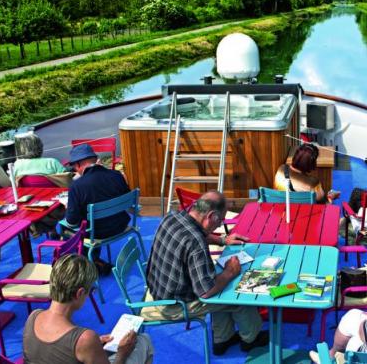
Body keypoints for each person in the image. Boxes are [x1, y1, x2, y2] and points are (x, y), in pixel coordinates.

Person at [145, 190, 269, 355]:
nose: (220, 225)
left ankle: (223, 339)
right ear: (211, 216)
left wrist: (222, 240)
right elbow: (206, 291)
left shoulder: (173, 216)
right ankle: (251, 339)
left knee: (219, 283)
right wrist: (230, 272)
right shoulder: (195, 242)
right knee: (238, 295)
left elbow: (197, 232)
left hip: (157, 288)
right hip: (174, 305)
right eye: (221, 220)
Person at [23, 254, 153, 364]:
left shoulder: (33, 317)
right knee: (143, 341)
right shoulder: (84, 339)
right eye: (91, 290)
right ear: (80, 293)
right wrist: (122, 353)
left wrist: (94, 345)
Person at [63, 143, 130, 275]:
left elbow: (71, 222)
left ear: (77, 165)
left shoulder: (77, 186)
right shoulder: (117, 175)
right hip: (121, 225)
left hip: (97, 234)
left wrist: (68, 207)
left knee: (63, 229)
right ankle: (95, 261)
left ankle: (84, 267)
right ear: (95, 159)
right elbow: (127, 201)